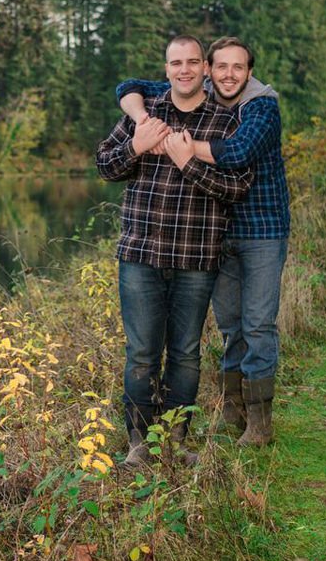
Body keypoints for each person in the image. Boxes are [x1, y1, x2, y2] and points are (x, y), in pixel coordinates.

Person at [116, 36, 290, 446]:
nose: (229, 75)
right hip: (215, 233)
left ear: (249, 72)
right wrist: (143, 122)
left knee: (259, 325)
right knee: (230, 326)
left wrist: (178, 146)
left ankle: (260, 424)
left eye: (239, 68)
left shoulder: (261, 106)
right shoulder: (199, 85)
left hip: (262, 228)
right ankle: (233, 409)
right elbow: (128, 87)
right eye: (221, 67)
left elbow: (237, 153)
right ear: (210, 70)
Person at [96, 35, 252, 466]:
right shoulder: (145, 114)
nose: (184, 69)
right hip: (140, 256)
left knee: (185, 353)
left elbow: (237, 187)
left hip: (196, 258)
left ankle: (176, 442)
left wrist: (188, 163)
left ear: (205, 68)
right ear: (165, 70)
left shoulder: (225, 122)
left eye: (192, 62)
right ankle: (139, 445)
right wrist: (137, 146)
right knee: (142, 353)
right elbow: (105, 164)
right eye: (175, 62)